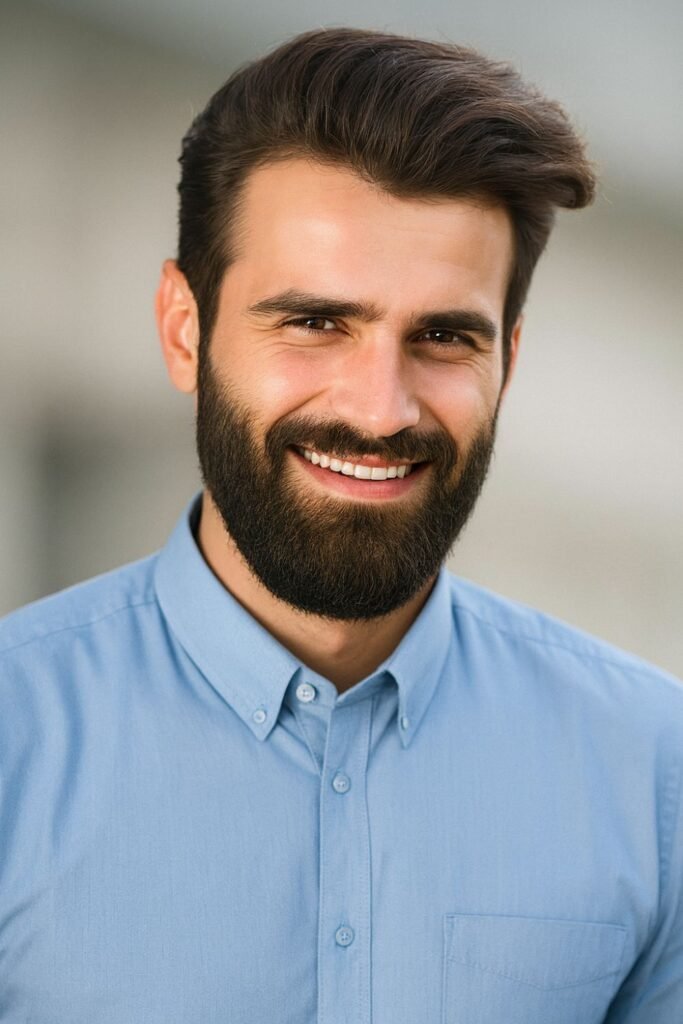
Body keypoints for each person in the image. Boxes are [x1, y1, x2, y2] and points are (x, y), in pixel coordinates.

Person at [0, 27, 681, 1024]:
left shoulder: (651, 771)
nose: (379, 408)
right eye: (314, 320)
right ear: (184, 330)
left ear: (508, 363)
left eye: (443, 337)